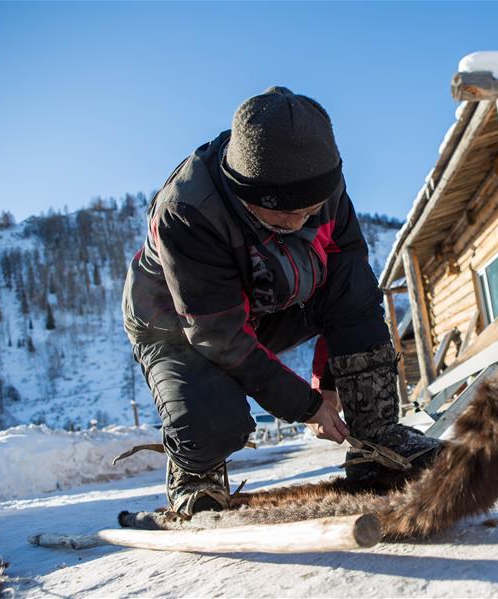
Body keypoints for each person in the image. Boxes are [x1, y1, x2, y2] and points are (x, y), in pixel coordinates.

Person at [122, 86, 439, 516]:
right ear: (248, 195)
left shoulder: (323, 185)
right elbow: (219, 338)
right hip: (178, 326)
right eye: (286, 215)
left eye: (312, 209)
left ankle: (376, 442)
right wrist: (305, 407)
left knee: (354, 278)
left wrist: (326, 384)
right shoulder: (188, 211)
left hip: (269, 302)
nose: (301, 221)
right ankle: (197, 472)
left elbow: (348, 282)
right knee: (214, 418)